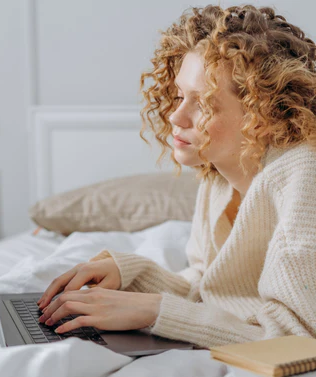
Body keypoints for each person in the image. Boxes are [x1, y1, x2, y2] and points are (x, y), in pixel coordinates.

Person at [37, 5, 316, 349]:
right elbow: (208, 290)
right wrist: (131, 274)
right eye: (181, 96)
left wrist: (154, 312)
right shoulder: (217, 173)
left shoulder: (304, 178)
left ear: (262, 112)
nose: (175, 116)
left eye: (205, 103)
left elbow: (297, 340)